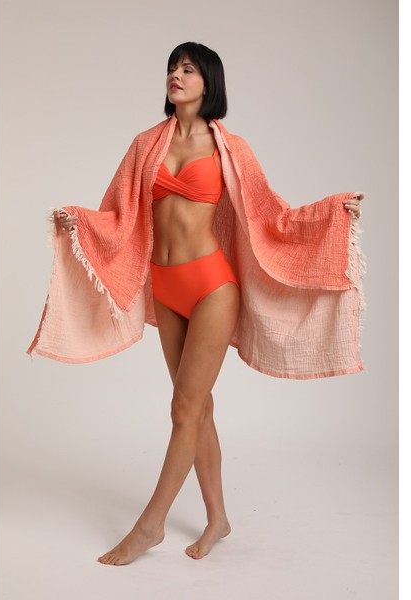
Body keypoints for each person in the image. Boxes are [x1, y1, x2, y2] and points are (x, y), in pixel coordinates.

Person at [36, 41, 364, 566]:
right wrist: (79, 220)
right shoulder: (146, 144)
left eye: (187, 69)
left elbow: (272, 216)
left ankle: (150, 525)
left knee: (183, 407)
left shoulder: (230, 148)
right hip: (165, 288)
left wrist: (332, 211)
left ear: (209, 81)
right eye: (172, 67)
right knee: (199, 407)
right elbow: (118, 213)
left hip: (212, 286)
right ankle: (218, 518)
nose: (176, 75)